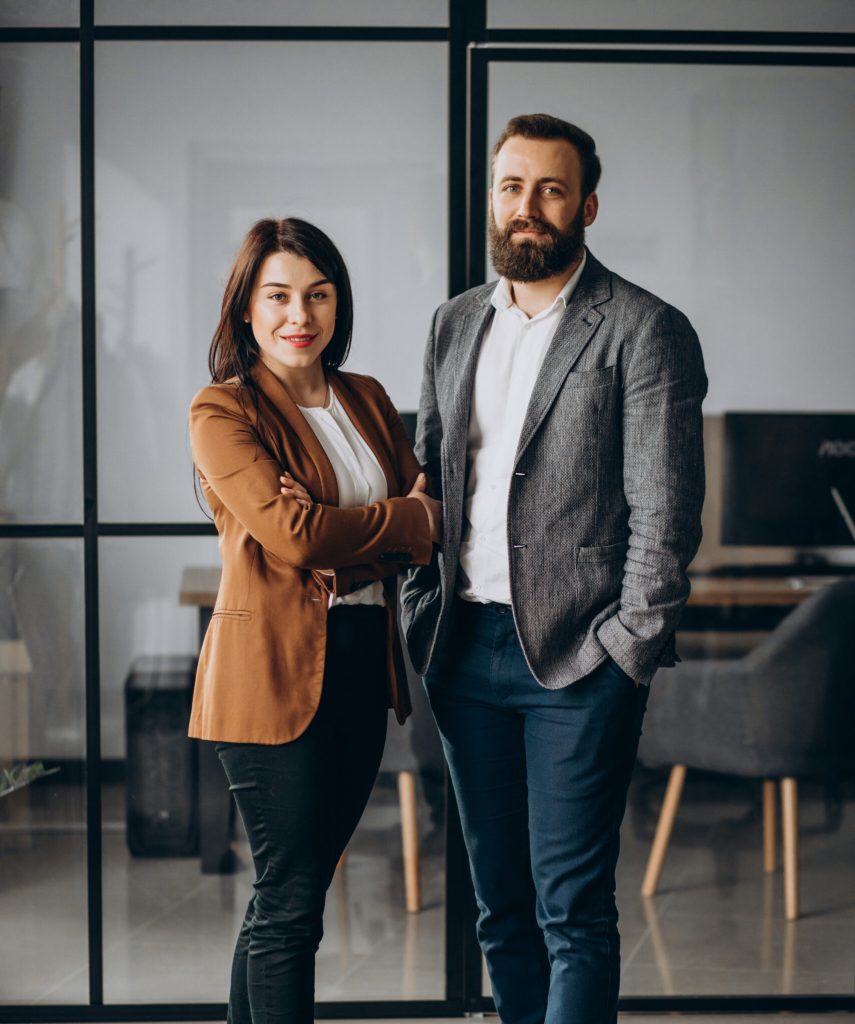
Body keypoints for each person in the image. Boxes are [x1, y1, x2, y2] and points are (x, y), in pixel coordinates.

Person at [400, 113, 707, 1023]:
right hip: (462, 649)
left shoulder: (644, 328)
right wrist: (421, 606)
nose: (526, 206)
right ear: (492, 198)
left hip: (579, 658)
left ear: (586, 207)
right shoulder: (453, 322)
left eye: (550, 189)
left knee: (570, 911)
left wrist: (625, 650)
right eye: (511, 186)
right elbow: (428, 478)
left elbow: (665, 512)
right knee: (499, 909)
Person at [188, 217, 440, 1024]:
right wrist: (392, 523)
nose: (300, 314)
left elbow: (429, 523)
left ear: (338, 304)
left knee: (287, 896)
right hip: (267, 677)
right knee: (292, 900)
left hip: (362, 661)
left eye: (318, 295)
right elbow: (295, 537)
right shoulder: (223, 409)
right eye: (278, 296)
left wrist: (347, 537)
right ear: (246, 307)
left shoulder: (365, 397)